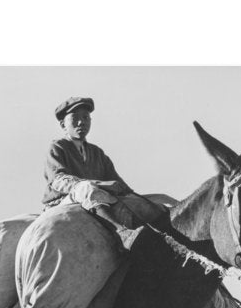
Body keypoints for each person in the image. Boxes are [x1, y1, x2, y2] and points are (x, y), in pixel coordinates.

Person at [43, 96, 160, 245]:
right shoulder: (58, 147)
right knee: (86, 188)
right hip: (62, 201)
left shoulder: (97, 153)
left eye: (85, 117)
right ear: (62, 124)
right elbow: (58, 181)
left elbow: (120, 186)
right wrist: (101, 184)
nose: (81, 122)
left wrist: (156, 200)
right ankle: (122, 233)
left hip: (96, 200)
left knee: (147, 200)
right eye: (75, 118)